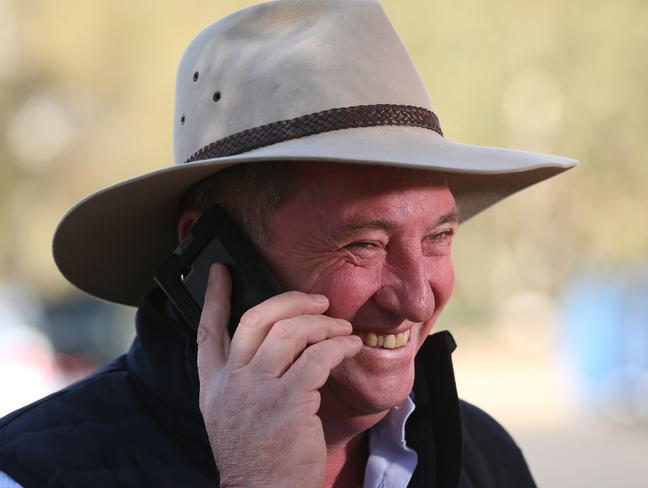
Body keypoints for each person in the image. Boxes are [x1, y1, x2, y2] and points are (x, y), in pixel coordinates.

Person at [0, 1, 577, 486]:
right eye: (365, 244)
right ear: (212, 259)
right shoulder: (34, 471)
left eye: (438, 237)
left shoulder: (483, 457)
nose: (419, 300)